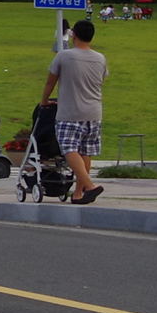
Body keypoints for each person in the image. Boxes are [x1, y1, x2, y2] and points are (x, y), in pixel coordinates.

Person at [41, 18, 110, 204]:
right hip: (94, 112)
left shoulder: (64, 56)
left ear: (74, 35)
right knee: (85, 152)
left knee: (69, 148)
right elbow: (101, 82)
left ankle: (90, 186)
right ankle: (78, 194)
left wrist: (44, 101)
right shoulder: (100, 58)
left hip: (70, 112)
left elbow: (50, 81)